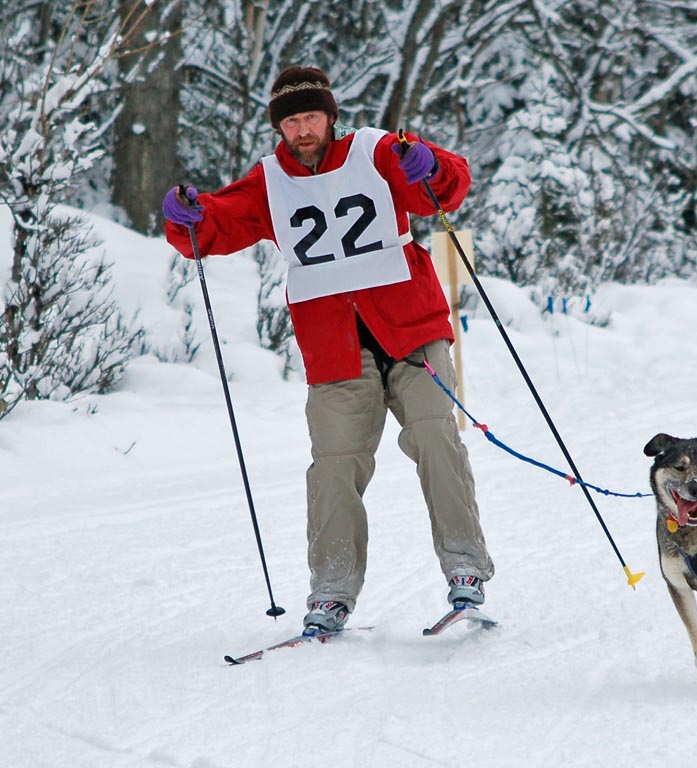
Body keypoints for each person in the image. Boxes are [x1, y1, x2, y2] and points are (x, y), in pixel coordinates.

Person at [162, 65, 494, 632]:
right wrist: (186, 215)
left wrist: (430, 165)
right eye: (291, 120)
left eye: (311, 116)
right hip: (333, 348)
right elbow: (218, 223)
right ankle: (332, 591)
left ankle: (465, 571)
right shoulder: (271, 180)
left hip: (410, 329)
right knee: (335, 467)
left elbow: (445, 187)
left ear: (330, 116)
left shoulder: (375, 151)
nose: (302, 129)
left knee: (435, 434)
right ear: (280, 128)